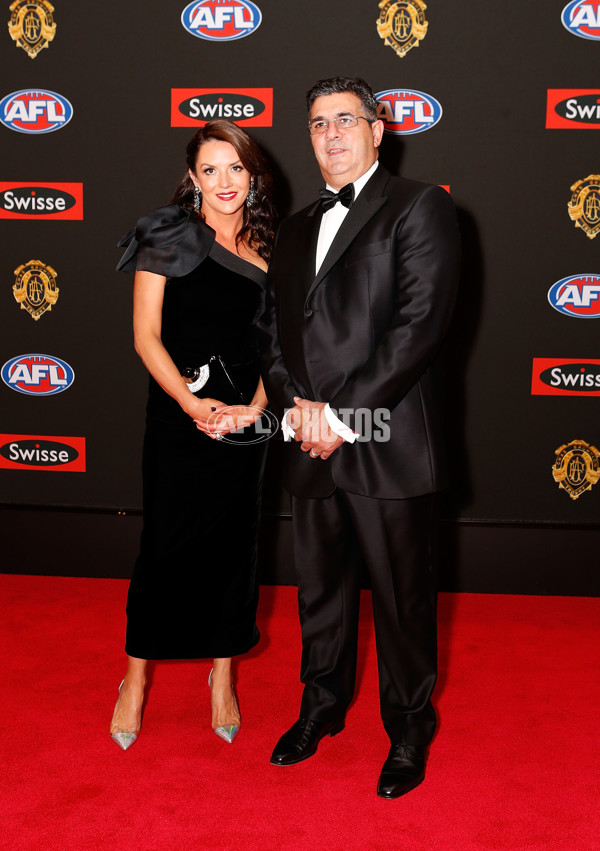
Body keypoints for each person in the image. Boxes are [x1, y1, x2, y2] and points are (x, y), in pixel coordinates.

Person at [259, 77, 460, 797]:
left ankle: (409, 727)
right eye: (318, 123)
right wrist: (297, 407)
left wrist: (340, 417)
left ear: (379, 130)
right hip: (308, 441)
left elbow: (417, 329)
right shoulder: (289, 228)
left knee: (403, 598)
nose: (332, 134)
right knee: (321, 592)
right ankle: (321, 706)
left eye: (347, 119)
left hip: (385, 440)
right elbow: (276, 335)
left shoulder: (420, 208)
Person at [110, 120, 276, 750]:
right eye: (211, 169)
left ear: (253, 174)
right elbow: (145, 335)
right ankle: (134, 677)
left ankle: (223, 675)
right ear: (193, 178)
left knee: (236, 549)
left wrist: (254, 408)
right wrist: (190, 403)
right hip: (179, 419)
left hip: (244, 427)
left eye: (236, 167)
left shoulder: (270, 249)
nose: (224, 182)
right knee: (164, 547)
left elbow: (277, 350)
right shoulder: (168, 234)